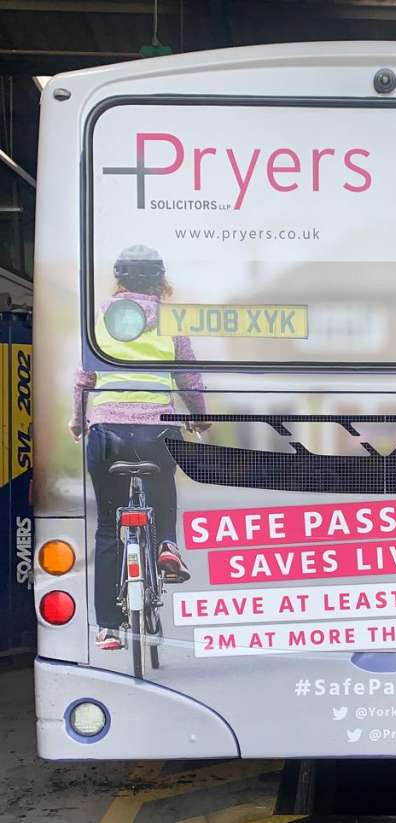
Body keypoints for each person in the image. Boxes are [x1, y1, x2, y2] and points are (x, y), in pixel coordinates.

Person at [69, 245, 209, 651]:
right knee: (163, 488)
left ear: (120, 280)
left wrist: (79, 423)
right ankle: (167, 545)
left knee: (108, 527)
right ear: (160, 280)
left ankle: (109, 628)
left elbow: (85, 380)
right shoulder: (170, 322)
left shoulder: (101, 319)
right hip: (159, 433)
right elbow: (189, 378)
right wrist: (199, 416)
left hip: (108, 434)